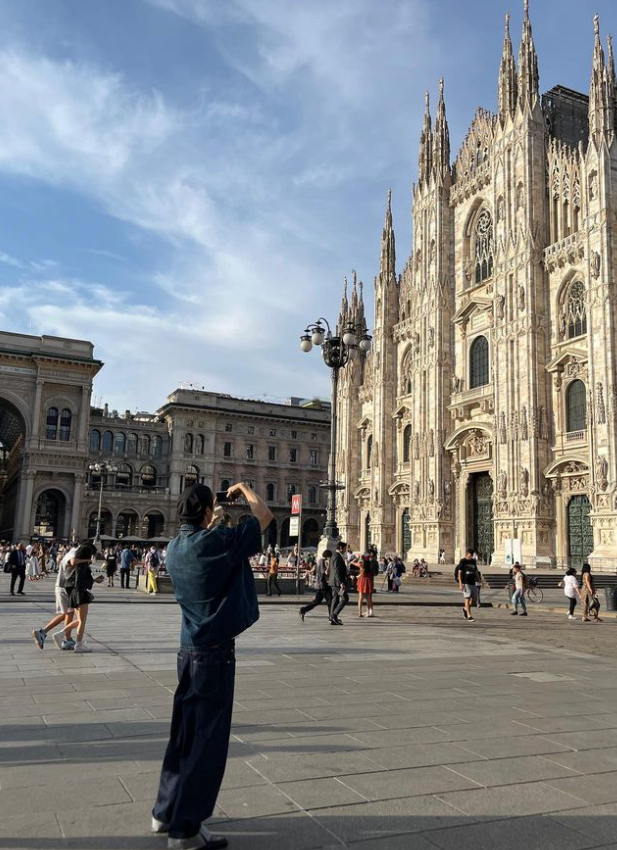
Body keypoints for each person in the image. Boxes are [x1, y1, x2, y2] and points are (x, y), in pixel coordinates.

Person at [151, 481, 272, 850]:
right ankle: (185, 830)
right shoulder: (215, 542)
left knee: (183, 734)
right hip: (214, 654)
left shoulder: (174, 548)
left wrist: (215, 518)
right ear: (206, 512)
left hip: (186, 652)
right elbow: (264, 516)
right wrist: (245, 489)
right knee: (206, 741)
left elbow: (210, 550)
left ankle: (164, 811)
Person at [31, 546, 78, 650]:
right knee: (69, 613)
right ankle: (67, 639)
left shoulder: (71, 553)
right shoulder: (74, 553)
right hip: (65, 588)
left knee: (66, 614)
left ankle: (43, 632)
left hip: (63, 587)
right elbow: (74, 562)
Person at [63, 543, 104, 653]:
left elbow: (90, 579)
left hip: (75, 593)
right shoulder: (83, 566)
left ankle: (62, 634)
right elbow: (83, 581)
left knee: (79, 620)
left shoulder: (81, 565)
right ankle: (79, 644)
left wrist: (95, 578)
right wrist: (101, 571)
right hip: (80, 594)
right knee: (82, 621)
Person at [299, 550, 332, 621]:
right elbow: (326, 572)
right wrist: (329, 564)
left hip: (319, 584)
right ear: (328, 556)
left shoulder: (318, 561)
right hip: (323, 585)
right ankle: (331, 617)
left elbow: (314, 570)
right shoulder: (322, 562)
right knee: (330, 601)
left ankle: (303, 610)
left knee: (317, 601)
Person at [456, 549, 480, 622]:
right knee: (467, 598)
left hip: (473, 582)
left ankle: (465, 608)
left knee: (474, 599)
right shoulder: (463, 561)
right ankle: (469, 615)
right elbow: (459, 573)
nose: (471, 557)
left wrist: (479, 580)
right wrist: (460, 583)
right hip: (465, 582)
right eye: (470, 556)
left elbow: (476, 571)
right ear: (466, 555)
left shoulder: (473, 561)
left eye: (472, 556)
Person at [329, 541, 349, 625]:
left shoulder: (335, 555)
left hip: (334, 582)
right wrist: (341, 583)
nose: (345, 550)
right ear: (340, 548)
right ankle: (334, 614)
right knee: (345, 598)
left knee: (335, 599)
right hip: (337, 582)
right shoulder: (337, 556)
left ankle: (332, 618)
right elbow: (337, 571)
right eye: (344, 548)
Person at [356, 552, 375, 618]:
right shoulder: (370, 564)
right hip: (368, 581)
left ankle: (360, 613)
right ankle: (368, 612)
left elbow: (352, 563)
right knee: (368, 598)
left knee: (360, 598)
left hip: (362, 581)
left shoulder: (361, 565)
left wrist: (358, 558)